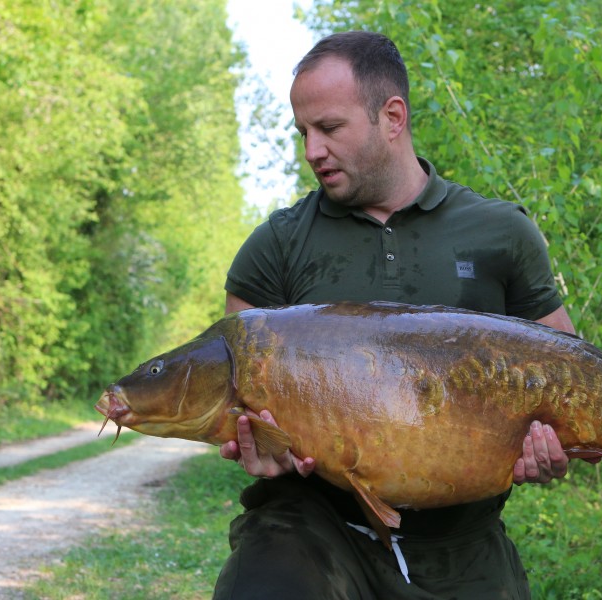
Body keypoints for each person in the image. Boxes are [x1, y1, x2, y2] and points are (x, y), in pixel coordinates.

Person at [214, 30, 577, 600]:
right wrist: (260, 452)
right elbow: (230, 387)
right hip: (313, 530)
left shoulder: (502, 232)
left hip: (464, 540)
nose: (312, 150)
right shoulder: (275, 245)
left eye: (329, 128)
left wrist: (556, 449)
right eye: (303, 133)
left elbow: (571, 375)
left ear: (392, 116)